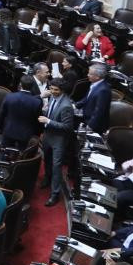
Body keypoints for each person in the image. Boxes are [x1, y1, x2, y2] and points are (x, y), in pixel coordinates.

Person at [39, 79, 75, 207]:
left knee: (56, 166)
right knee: (47, 160)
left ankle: (55, 194)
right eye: (52, 89)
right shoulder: (51, 97)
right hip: (48, 136)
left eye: (56, 90)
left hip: (59, 139)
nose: (53, 92)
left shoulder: (66, 106)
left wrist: (48, 121)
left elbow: (67, 127)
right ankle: (47, 179)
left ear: (62, 90)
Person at [0, 76, 43, 150]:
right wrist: (37, 134)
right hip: (26, 134)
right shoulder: (37, 102)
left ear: (20, 84)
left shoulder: (9, 97)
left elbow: (2, 114)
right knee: (21, 156)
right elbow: (37, 120)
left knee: (4, 153)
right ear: (32, 86)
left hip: (9, 130)